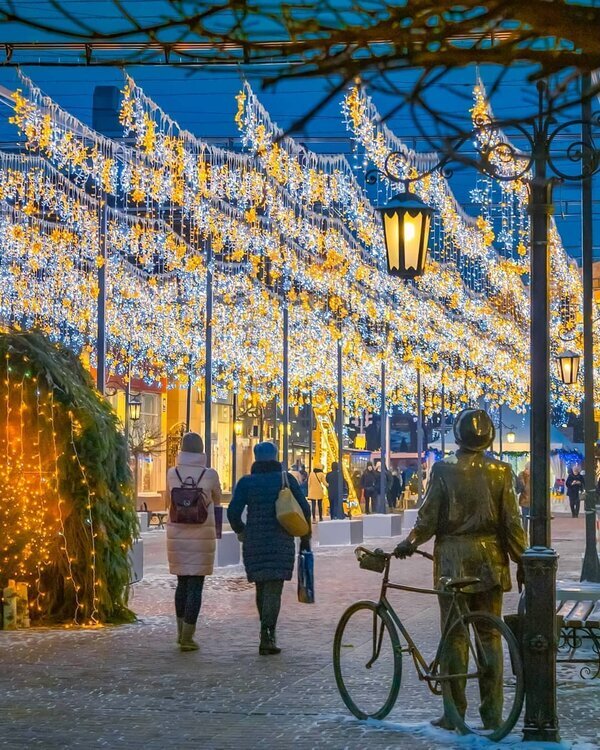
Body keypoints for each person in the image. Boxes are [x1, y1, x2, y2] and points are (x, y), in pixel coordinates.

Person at [394, 408, 527, 731]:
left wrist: (409, 543)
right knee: (490, 635)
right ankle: (492, 713)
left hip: (453, 561)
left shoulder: (443, 470)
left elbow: (427, 519)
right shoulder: (502, 472)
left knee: (454, 636)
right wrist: (523, 559)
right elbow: (511, 522)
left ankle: (454, 713)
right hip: (491, 562)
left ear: (458, 434)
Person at [227, 441, 311, 655]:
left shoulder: (247, 483)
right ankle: (268, 634)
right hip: (280, 541)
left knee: (261, 586)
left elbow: (232, 512)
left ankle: (266, 631)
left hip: (254, 541)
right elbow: (305, 508)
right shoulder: (285, 479)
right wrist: (304, 538)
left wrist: (241, 530)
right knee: (274, 589)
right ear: (276, 457)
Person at [166, 432, 222, 652]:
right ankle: (188, 637)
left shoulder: (173, 473)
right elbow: (217, 499)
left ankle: (180, 633)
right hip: (201, 537)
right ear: (201, 450)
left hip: (177, 535)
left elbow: (167, 500)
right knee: (196, 586)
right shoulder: (210, 474)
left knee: (182, 584)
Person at [516, 463, 531, 534]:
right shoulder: (522, 475)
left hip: (532, 501)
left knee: (532, 518)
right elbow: (519, 488)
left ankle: (530, 532)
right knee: (525, 518)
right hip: (525, 500)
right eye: (527, 469)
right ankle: (524, 532)